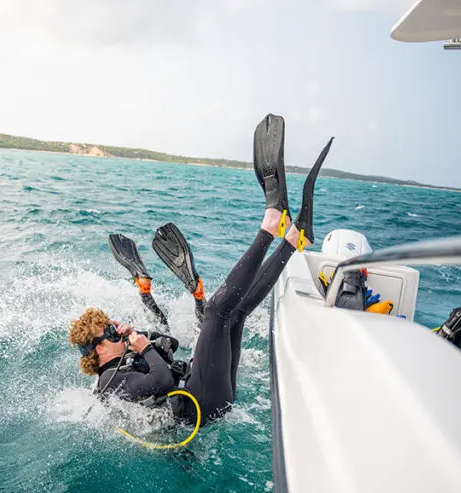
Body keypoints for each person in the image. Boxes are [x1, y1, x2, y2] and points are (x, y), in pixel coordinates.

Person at [69, 113, 334, 425]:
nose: (117, 329)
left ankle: (293, 239)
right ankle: (270, 225)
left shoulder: (123, 360)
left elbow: (172, 347)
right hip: (200, 404)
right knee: (215, 312)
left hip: (207, 395)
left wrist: (140, 337)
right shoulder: (108, 382)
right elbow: (163, 381)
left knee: (236, 314)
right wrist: (144, 349)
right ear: (98, 350)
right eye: (110, 331)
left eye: (113, 325)